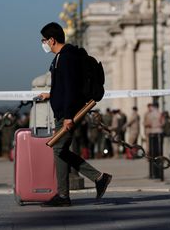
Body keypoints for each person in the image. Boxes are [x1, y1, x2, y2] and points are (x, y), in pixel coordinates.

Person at [36, 22, 112, 207]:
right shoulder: (62, 57)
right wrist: (50, 95)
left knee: (58, 149)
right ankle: (92, 181)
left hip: (67, 113)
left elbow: (70, 88)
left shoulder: (66, 58)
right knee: (60, 150)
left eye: (44, 40)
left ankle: (67, 193)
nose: (43, 43)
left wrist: (69, 116)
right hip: (63, 111)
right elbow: (64, 87)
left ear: (52, 40)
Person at [143, 102, 164, 178]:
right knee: (159, 153)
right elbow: (162, 123)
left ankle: (153, 173)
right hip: (159, 132)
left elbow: (147, 123)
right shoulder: (160, 113)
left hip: (152, 133)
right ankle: (159, 173)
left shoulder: (149, 114)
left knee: (153, 153)